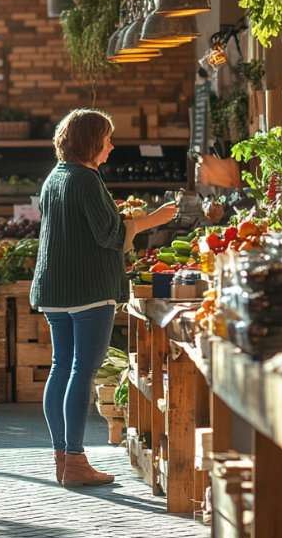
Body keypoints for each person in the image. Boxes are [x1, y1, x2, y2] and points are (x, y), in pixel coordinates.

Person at [30, 109, 178, 488]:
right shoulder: (86, 178)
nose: (112, 146)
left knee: (60, 367)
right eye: (107, 138)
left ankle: (62, 456)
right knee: (83, 370)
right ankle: (76, 461)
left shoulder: (55, 177)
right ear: (91, 142)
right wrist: (153, 219)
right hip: (87, 289)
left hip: (53, 288)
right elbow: (110, 235)